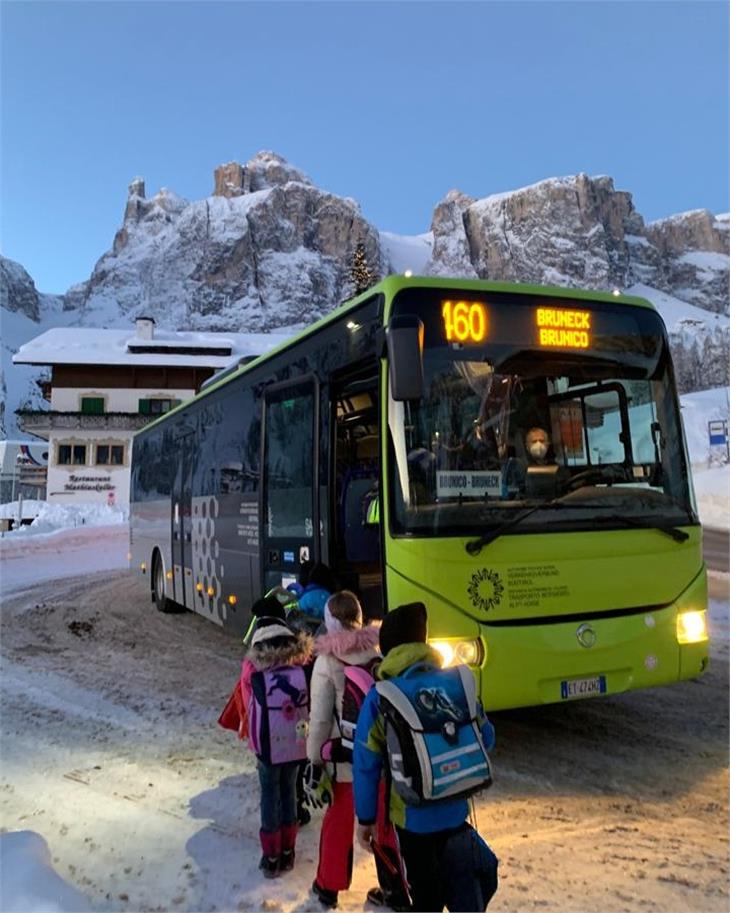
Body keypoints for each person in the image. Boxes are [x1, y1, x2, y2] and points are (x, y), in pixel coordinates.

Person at [353, 602, 498, 912]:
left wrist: (366, 820)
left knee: (426, 896)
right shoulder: (458, 683)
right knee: (467, 887)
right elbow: (487, 738)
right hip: (456, 809)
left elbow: (365, 764)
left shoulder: (381, 697)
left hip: (412, 819)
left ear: (389, 648)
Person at [306, 591, 407, 910]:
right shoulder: (377, 653)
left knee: (337, 822)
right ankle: (395, 890)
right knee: (384, 826)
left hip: (345, 760)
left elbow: (320, 719)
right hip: (380, 758)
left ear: (329, 621)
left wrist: (313, 759)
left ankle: (328, 887)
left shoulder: (327, 661)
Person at [240, 617, 314, 878]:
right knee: (289, 793)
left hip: (268, 746)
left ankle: (271, 856)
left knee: (269, 795)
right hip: (296, 745)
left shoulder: (254, 671)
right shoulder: (300, 669)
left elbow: (247, 698)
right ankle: (288, 852)